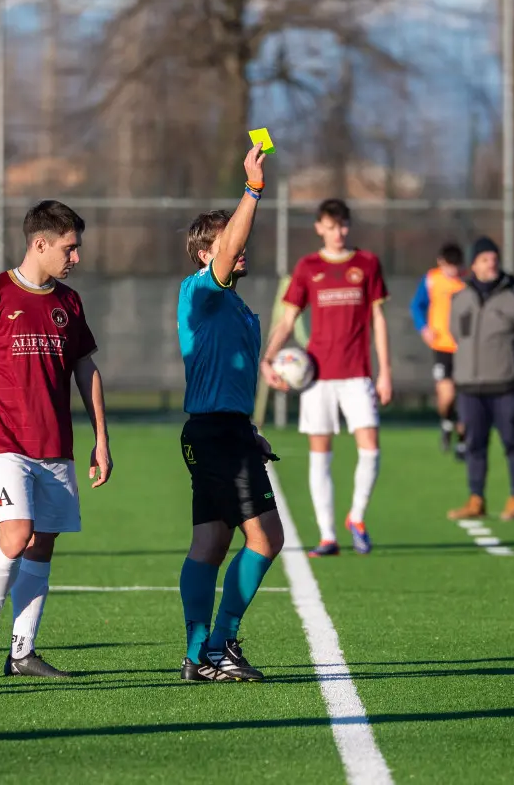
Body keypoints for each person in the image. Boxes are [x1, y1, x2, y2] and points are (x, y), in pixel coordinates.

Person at [0, 200, 113, 679]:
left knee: (42, 545)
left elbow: (86, 369)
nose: (75, 258)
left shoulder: (69, 302)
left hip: (56, 445)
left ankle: (22, 652)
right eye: (69, 248)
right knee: (15, 537)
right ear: (40, 243)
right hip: (2, 440)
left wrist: (101, 438)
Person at [176, 142, 283, 682]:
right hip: (215, 433)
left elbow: (227, 377)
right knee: (266, 539)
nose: (241, 248)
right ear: (205, 254)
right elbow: (231, 242)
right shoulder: (204, 291)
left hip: (223, 429)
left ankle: (198, 656)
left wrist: (252, 430)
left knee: (212, 542)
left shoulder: (235, 304)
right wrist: (252, 189)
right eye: (226, 243)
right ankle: (217, 649)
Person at [261, 199, 392, 557]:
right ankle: (327, 536)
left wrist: (385, 373)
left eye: (344, 226)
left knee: (371, 447)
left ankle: (357, 517)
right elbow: (287, 319)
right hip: (316, 377)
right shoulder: (308, 267)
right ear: (319, 227)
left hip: (358, 374)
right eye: (332, 226)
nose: (339, 233)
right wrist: (268, 359)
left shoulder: (367, 264)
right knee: (321, 455)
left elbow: (379, 320)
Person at [446, 237, 514, 521]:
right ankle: (476, 499)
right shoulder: (460, 299)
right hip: (469, 386)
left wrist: (510, 362)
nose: (491, 264)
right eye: (485, 259)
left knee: (512, 441)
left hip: (505, 385)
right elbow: (455, 335)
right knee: (474, 444)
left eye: (494, 258)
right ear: (473, 265)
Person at [410, 242, 467, 457]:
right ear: (440, 262)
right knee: (446, 395)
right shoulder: (432, 279)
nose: (452, 271)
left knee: (465, 396)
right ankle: (446, 423)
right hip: (442, 346)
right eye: (448, 266)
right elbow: (417, 305)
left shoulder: (467, 282)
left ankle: (462, 442)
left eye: (456, 266)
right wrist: (424, 329)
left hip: (465, 348)